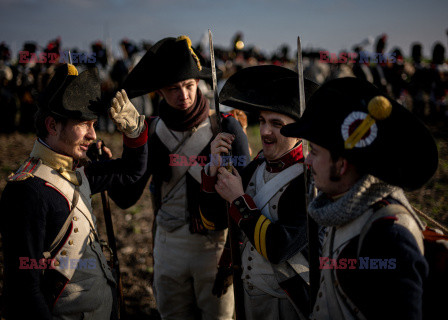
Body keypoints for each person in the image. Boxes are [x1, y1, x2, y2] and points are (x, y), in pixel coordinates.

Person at [108, 35, 250, 320]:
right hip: (168, 247)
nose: (183, 96)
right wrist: (117, 157)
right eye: (173, 88)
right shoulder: (147, 130)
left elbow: (246, 198)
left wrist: (233, 258)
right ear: (159, 91)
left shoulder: (227, 125)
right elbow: (126, 197)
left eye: (189, 85)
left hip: (215, 247)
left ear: (199, 83)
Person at [0, 63, 148, 320]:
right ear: (53, 125)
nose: (92, 134)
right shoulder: (27, 190)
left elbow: (131, 171)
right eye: (84, 124)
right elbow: (24, 291)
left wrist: (135, 131)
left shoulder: (78, 171)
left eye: (93, 124)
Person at [280, 77, 439, 319]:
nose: (307, 160)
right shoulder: (344, 206)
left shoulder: (388, 238)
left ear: (342, 164)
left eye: (314, 151)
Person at [199, 65, 320, 320]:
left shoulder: (310, 182)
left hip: (288, 305)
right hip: (250, 302)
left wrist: (238, 200)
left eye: (277, 124)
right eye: (263, 121)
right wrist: (212, 169)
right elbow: (214, 222)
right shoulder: (256, 167)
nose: (265, 131)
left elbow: (279, 247)